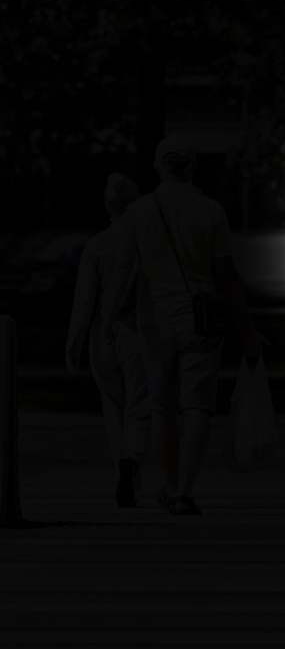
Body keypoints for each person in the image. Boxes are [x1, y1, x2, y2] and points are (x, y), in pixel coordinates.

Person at [101, 136, 263, 516]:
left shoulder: (138, 211)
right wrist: (246, 328)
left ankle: (171, 484)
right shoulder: (211, 211)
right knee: (197, 406)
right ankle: (184, 492)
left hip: (153, 322)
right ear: (191, 167)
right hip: (201, 321)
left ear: (158, 167)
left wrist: (108, 316)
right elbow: (226, 275)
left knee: (162, 408)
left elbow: (122, 268)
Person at [66, 173, 150, 507]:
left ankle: (122, 467)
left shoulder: (97, 245)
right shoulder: (146, 242)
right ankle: (132, 458)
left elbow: (84, 300)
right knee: (139, 404)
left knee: (113, 406)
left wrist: (74, 344)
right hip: (136, 332)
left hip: (103, 336)